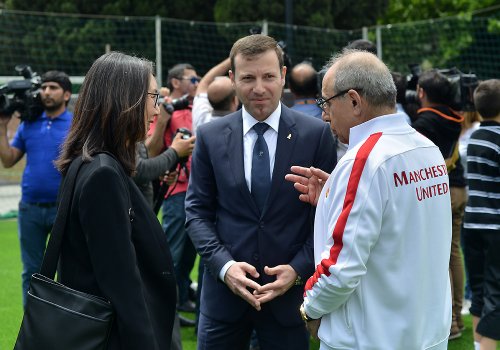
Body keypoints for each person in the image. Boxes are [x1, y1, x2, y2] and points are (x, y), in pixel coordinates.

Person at [286, 49, 452, 349]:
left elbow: (339, 269)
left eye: (326, 102)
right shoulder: (427, 149)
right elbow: (401, 224)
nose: (324, 114)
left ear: (353, 101)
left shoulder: (363, 161)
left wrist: (308, 308)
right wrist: (331, 198)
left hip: (369, 338)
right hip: (426, 333)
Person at [185, 34, 336, 350]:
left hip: (289, 300)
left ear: (283, 76)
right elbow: (197, 213)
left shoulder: (316, 135)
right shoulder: (210, 137)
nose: (258, 88)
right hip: (223, 301)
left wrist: (297, 269)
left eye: (268, 76)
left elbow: (326, 217)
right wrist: (226, 268)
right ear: (232, 79)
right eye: (248, 78)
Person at [54, 51, 176, 349]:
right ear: (126, 99)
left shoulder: (90, 163)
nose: (157, 111)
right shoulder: (102, 174)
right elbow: (121, 282)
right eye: (153, 98)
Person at [0, 70, 72, 306]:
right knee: (31, 271)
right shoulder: (28, 124)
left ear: (67, 95)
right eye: (43, 87)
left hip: (64, 209)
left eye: (53, 87)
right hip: (29, 208)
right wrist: (2, 126)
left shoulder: (75, 124)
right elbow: (9, 159)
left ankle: (64, 328)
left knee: (67, 271)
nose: (46, 92)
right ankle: (32, 331)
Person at [413, 69, 467, 340]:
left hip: (439, 191)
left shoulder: (425, 122)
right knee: (453, 254)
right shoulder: (454, 117)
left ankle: (449, 324)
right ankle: (457, 317)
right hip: (459, 188)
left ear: (422, 92)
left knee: (438, 256)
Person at [147, 63, 199, 315]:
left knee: (190, 253)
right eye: (192, 79)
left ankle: (179, 302)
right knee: (173, 253)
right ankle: (166, 308)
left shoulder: (198, 106)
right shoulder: (160, 109)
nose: (197, 83)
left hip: (199, 189)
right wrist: (163, 121)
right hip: (175, 190)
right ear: (176, 82)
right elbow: (150, 151)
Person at [462, 79, 500, 350]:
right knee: (496, 294)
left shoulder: (472, 136)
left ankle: (478, 346)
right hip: (495, 227)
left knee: (478, 289)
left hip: (472, 223)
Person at [192, 57, 239, 134]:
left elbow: (204, 83)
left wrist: (234, 58)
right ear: (234, 101)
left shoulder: (201, 118)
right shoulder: (242, 130)